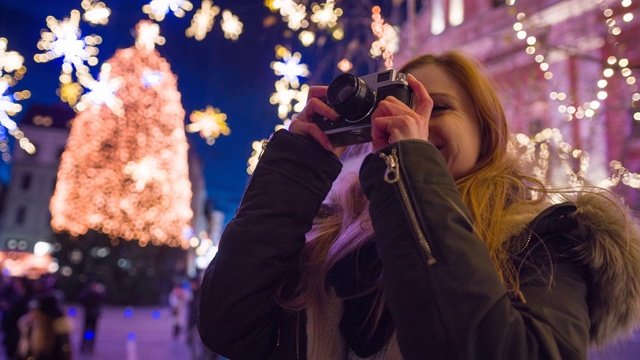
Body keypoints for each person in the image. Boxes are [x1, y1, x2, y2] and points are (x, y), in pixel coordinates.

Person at [197, 51, 640, 359]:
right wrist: (296, 165)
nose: (414, 122)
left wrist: (410, 170)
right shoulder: (328, 241)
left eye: (437, 107)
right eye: (396, 108)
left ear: (487, 132)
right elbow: (227, 325)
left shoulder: (545, 241)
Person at [16, 293, 72, 360]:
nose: (31, 316)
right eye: (31, 312)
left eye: (35, 312)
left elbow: (62, 356)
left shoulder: (58, 335)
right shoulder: (29, 329)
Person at [78, 280, 106, 353]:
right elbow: (82, 300)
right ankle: (84, 345)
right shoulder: (87, 293)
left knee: (93, 331)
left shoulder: (98, 293)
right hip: (88, 314)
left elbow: (103, 299)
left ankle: (90, 345)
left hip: (94, 315)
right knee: (86, 330)